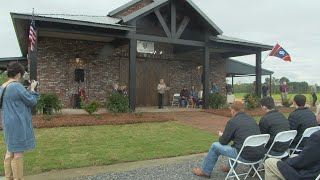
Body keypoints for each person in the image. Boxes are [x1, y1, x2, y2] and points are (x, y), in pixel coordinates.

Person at [192, 101, 265, 178]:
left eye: (230, 110)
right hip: (259, 156)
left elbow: (223, 141)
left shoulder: (233, 121)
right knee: (238, 146)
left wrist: (222, 135)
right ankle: (230, 167)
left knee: (215, 146)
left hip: (244, 156)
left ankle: (205, 171)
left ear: (233, 110)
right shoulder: (251, 120)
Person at [1, 62, 39, 180]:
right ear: (18, 74)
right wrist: (32, 89)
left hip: (7, 122)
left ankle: (9, 177)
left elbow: (16, 100)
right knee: (17, 152)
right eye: (22, 75)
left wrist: (26, 90)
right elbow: (32, 101)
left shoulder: (3, 86)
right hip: (17, 123)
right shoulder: (16, 86)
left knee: (10, 150)